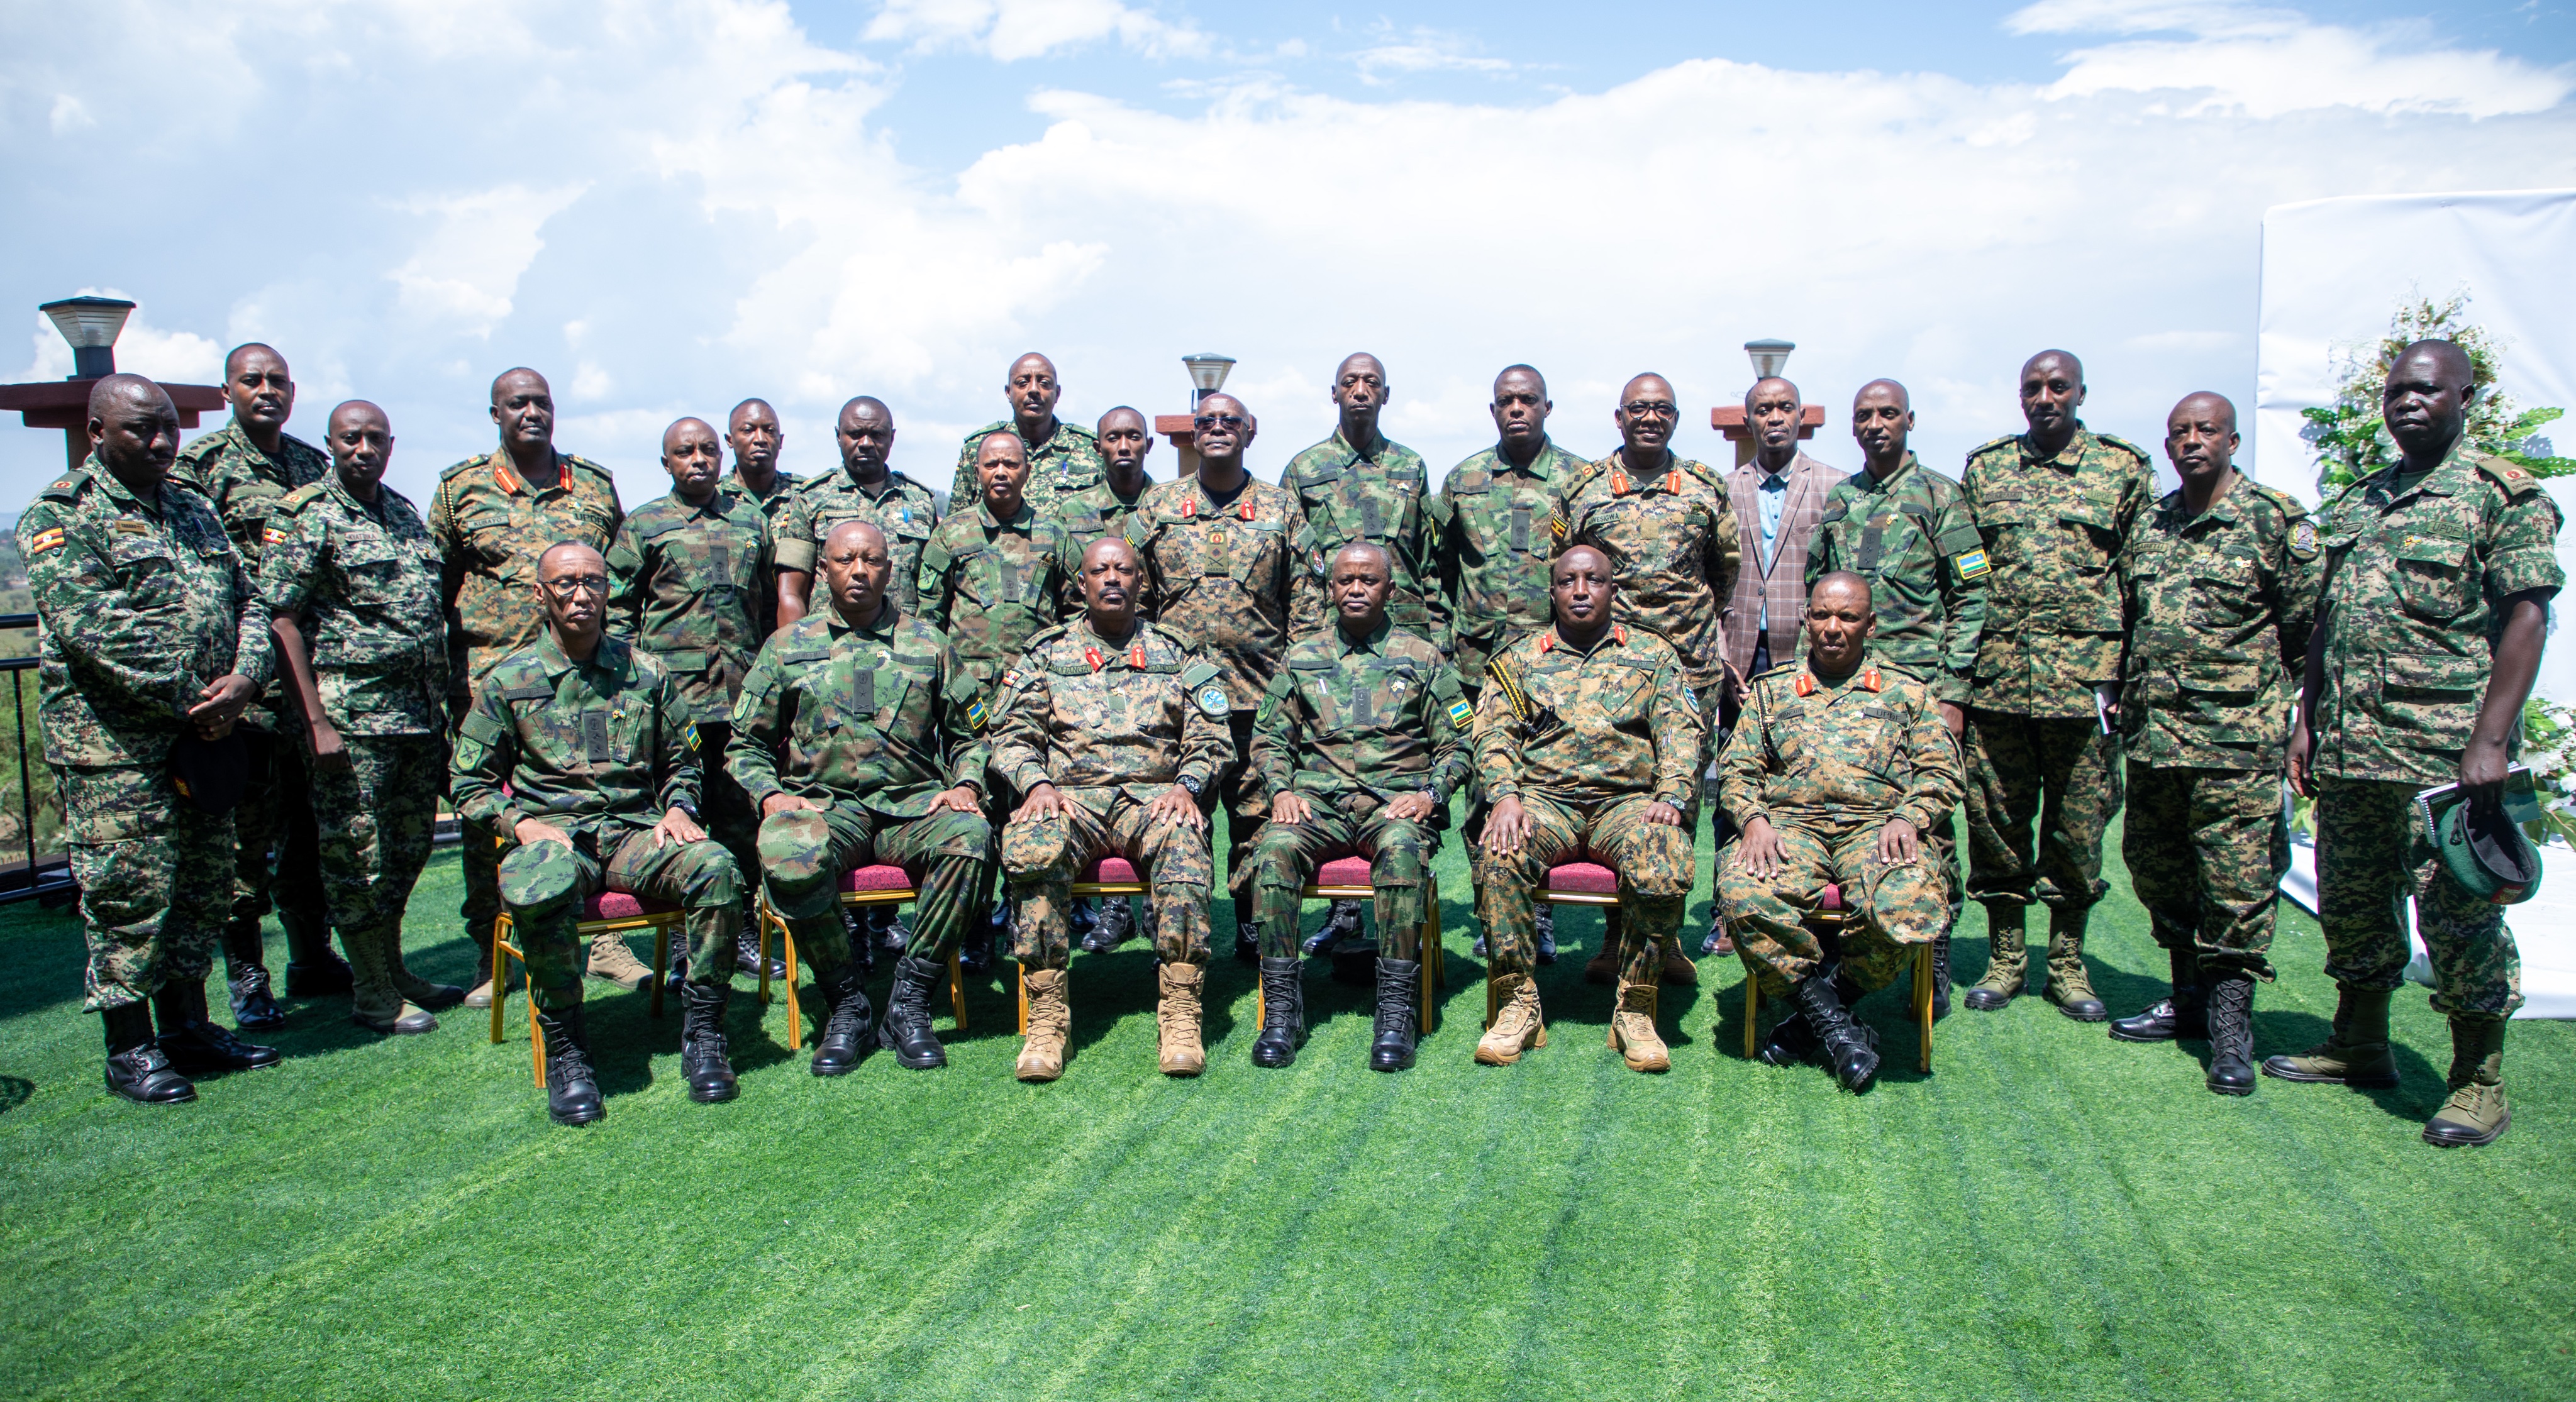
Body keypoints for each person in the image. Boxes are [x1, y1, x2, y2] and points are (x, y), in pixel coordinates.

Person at [2273, 339, 2562, 1148]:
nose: (2407, 402)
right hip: (2350, 750)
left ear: (2464, 398)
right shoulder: (2361, 501)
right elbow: (2329, 622)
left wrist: (2490, 742)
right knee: (2352, 902)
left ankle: (2478, 1081)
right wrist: (2306, 720)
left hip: (2443, 759)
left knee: (2459, 917)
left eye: (2427, 390)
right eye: (2397, 390)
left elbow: (2527, 618)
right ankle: (2360, 1042)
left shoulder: (2501, 496)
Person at [18, 374, 277, 1103]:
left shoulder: (192, 506)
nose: (162, 441)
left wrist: (245, 680)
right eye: (142, 428)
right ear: (98, 432)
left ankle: (188, 1027)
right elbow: (98, 630)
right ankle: (130, 1048)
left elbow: (251, 600)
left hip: (208, 734)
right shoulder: (62, 514)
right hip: (117, 751)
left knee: (202, 886)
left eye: (169, 426)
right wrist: (200, 699)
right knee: (130, 895)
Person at [450, 542, 743, 1125]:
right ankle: (567, 1049)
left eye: (593, 582)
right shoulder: (510, 680)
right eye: (566, 583)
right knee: (541, 885)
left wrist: (679, 807)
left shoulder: (647, 673)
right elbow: (467, 782)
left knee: (717, 868)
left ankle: (705, 1033)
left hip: (638, 833)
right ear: (541, 595)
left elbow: (683, 762)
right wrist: (522, 823)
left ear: (609, 591)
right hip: (557, 835)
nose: (581, 594)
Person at [2106, 393, 2319, 1093]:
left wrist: (2286, 714)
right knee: (2159, 869)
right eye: (2180, 432)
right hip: (2156, 739)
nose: (2192, 441)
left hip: (2236, 745)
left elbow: (2305, 629)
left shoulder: (2273, 519)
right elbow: (2133, 619)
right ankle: (2189, 1002)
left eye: (2206, 430)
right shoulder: (2152, 522)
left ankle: (2231, 1029)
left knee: (2236, 882)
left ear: (2233, 440)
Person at [731, 521, 993, 1074]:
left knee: (971, 837)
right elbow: (745, 745)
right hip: (826, 808)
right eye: (845, 560)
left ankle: (910, 1000)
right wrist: (771, 796)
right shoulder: (788, 647)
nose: (859, 571)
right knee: (789, 851)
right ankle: (846, 1003)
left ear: (889, 570)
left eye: (872, 560)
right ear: (823, 569)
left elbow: (972, 737)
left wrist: (966, 784)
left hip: (912, 809)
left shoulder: (928, 644)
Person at [989, 536, 1233, 1081]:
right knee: (1033, 842)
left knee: (1184, 841)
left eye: (1124, 570)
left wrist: (1187, 785)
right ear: (1082, 584)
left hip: (1154, 796)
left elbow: (1213, 737)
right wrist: (1035, 785)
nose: (1113, 579)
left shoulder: (1178, 652)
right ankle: (1047, 1017)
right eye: (1100, 571)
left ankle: (1181, 1010)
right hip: (1070, 798)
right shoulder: (1047, 653)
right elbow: (1011, 735)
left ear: (1141, 581)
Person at [1957, 350, 2153, 1020]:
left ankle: (2067, 963)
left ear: (2080, 393)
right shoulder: (1987, 469)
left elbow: (2142, 577)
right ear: (2020, 397)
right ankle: (2006, 958)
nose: (2045, 398)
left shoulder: (2121, 469)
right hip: (1999, 683)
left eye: (2058, 387)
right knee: (1996, 824)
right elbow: (1969, 567)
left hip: (2083, 686)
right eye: (2033, 388)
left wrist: (2125, 677)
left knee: (2077, 833)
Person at [1719, 572, 1962, 1092]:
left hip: (1877, 829)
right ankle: (1835, 1023)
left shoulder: (1906, 691)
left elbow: (1942, 771)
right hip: (1789, 828)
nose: (1833, 628)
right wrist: (1754, 820)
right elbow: (1737, 771)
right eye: (1822, 615)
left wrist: (1909, 817)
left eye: (1848, 618)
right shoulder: (1770, 691)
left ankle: (1820, 1014)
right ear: (1806, 620)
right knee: (1742, 894)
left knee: (1911, 904)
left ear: (1870, 625)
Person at [264, 400, 462, 1035]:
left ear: (391, 445)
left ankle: (394, 968)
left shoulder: (402, 513)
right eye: (351, 439)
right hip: (353, 723)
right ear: (331, 444)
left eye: (375, 439)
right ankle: (371, 990)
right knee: (357, 856)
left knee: (407, 849)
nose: (364, 449)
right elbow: (281, 620)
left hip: (417, 719)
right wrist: (315, 722)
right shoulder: (307, 514)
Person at [431, 368, 627, 1005]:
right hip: (493, 683)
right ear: (496, 413)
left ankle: (606, 942)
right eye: (518, 403)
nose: (532, 413)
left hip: (586, 685)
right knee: (489, 821)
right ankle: (494, 954)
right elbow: (437, 588)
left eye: (542, 401)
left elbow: (619, 578)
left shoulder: (593, 485)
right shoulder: (461, 490)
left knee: (600, 800)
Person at [1472, 545, 1700, 1072]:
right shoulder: (1518, 660)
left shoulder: (1653, 655)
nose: (1580, 590)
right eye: (1568, 581)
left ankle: (1635, 1009)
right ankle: (1518, 1004)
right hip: (1545, 801)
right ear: (1552, 591)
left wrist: (1671, 794)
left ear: (1612, 590)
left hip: (1626, 802)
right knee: (1500, 851)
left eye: (1594, 580)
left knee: (1664, 853)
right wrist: (1505, 795)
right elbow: (1493, 737)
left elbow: (1681, 733)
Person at [1245, 542, 1472, 1071]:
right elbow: (1268, 738)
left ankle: (1395, 1012)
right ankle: (1282, 1011)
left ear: (1390, 590)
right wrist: (1281, 790)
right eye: (1345, 580)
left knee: (1401, 853)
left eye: (1368, 580)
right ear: (1331, 589)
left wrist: (1430, 795)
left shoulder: (1423, 658)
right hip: (1316, 806)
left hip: (1393, 805)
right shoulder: (1302, 657)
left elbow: (1460, 742)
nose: (1355, 589)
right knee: (1274, 852)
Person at [1801, 378, 1988, 1010]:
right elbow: (1817, 591)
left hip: (1918, 691)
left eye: (1887, 414)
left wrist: (1953, 691)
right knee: (1840, 802)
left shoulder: (1940, 496)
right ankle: (1841, 942)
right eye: (1864, 416)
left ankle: (1935, 943)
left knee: (1929, 817)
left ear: (1910, 420)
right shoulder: (1842, 499)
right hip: (1846, 688)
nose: (1876, 424)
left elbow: (1972, 595)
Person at [168, 343, 338, 1026]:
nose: (267, 391)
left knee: (309, 830)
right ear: (228, 392)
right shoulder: (200, 468)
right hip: (244, 693)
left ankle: (312, 955)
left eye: (278, 381)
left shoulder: (311, 465)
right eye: (252, 381)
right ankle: (247, 975)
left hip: (307, 684)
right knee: (244, 842)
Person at [1558, 373, 1738, 988]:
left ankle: (1664, 938)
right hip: (1611, 675)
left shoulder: (1705, 488)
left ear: (1675, 418)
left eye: (1662, 408)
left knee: (1678, 802)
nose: (1650, 417)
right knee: (1620, 797)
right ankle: (1616, 937)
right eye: (1638, 408)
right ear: (1619, 417)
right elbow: (1565, 570)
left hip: (1689, 670)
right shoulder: (1583, 490)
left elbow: (1724, 572)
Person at [1124, 393, 1309, 963]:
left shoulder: (1282, 509)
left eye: (1231, 421)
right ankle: (1175, 930)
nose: (1218, 429)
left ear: (1250, 432)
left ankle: (1253, 927)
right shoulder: (1159, 507)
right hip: (1179, 705)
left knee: (1257, 817)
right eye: (1207, 422)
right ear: (1194, 433)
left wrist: (1294, 688)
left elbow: (1306, 605)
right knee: (1179, 814)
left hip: (1259, 696)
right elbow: (1133, 597)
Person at [1280, 353, 1440, 958]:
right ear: (1334, 393)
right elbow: (1297, 566)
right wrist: (1302, 642)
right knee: (1332, 763)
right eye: (1350, 382)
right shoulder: (1305, 469)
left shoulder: (1410, 466)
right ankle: (1344, 916)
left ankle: (1392, 920)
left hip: (1400, 641)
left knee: (1391, 761)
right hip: (1328, 646)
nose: (1361, 391)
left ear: (1386, 394)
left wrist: (1434, 636)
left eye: (1372, 382)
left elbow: (1425, 560)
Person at [608, 417, 773, 981]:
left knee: (740, 819)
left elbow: (767, 605)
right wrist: (628, 686)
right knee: (677, 816)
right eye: (685, 452)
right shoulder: (645, 524)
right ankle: (682, 941)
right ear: (667, 463)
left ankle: (741, 931)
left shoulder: (750, 520)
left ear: (721, 455)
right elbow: (617, 611)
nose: (698, 459)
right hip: (674, 704)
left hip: (740, 699)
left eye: (706, 449)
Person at [1435, 364, 1582, 965]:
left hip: (1555, 670)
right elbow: (1439, 568)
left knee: (1545, 786)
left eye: (1528, 399)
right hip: (1479, 667)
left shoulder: (1578, 479)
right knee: (1482, 789)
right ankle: (1491, 911)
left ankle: (1540, 917)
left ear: (1548, 407)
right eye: (1506, 401)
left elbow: (1592, 569)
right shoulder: (1463, 479)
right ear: (1493, 410)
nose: (1517, 409)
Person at [918, 431, 1075, 973]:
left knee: (1028, 807)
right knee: (975, 808)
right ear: (977, 471)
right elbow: (927, 623)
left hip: (1036, 701)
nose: (1001, 472)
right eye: (991, 465)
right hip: (970, 706)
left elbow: (1075, 616)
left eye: (1011, 463)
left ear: (1028, 470)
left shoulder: (1053, 535)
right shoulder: (951, 534)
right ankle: (975, 930)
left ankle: (1026, 923)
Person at [1048, 405, 1158, 954]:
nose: (1123, 446)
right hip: (1087, 659)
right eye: (1113, 437)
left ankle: (1160, 911)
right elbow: (1062, 590)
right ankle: (1113, 911)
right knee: (1101, 765)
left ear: (1148, 444)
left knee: (1154, 772)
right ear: (1098, 447)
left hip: (1153, 659)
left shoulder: (1165, 506)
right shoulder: (1071, 512)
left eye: (1133, 436)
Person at [777, 395, 939, 626]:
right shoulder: (810, 500)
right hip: (830, 639)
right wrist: (797, 645)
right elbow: (791, 592)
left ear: (892, 437)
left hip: (900, 640)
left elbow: (933, 591)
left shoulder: (919, 501)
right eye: (855, 434)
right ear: (838, 436)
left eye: (877, 434)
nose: (866, 443)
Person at [947, 352, 1105, 519]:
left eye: (1044, 383)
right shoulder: (979, 448)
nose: (1034, 390)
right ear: (1009, 392)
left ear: (1057, 393)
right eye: (1023, 383)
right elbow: (956, 523)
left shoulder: (1092, 449)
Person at [724, 397, 797, 638]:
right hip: (737, 636)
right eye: (748, 430)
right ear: (729, 440)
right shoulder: (715, 499)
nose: (760, 439)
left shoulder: (805, 496)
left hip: (795, 630)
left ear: (781, 441)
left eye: (769, 431)